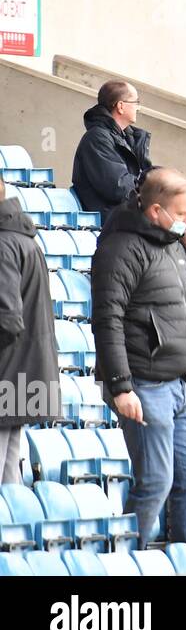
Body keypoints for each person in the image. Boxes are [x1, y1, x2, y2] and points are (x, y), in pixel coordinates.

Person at [91, 169, 186, 544]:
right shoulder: (120, 248)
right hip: (142, 384)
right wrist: (121, 387)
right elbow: (107, 320)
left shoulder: (171, 246)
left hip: (177, 383)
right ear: (156, 210)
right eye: (182, 213)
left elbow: (170, 307)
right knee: (155, 482)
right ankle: (126, 562)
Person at [0, 179, 60, 482]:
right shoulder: (23, 239)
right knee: (10, 473)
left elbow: (6, 318)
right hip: (26, 371)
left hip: (7, 371)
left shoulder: (2, 244)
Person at [72, 80, 153, 215]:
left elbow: (148, 175)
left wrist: (174, 187)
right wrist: (155, 193)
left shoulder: (129, 138)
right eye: (135, 103)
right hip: (113, 220)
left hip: (127, 213)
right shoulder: (97, 138)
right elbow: (119, 186)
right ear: (121, 106)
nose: (138, 108)